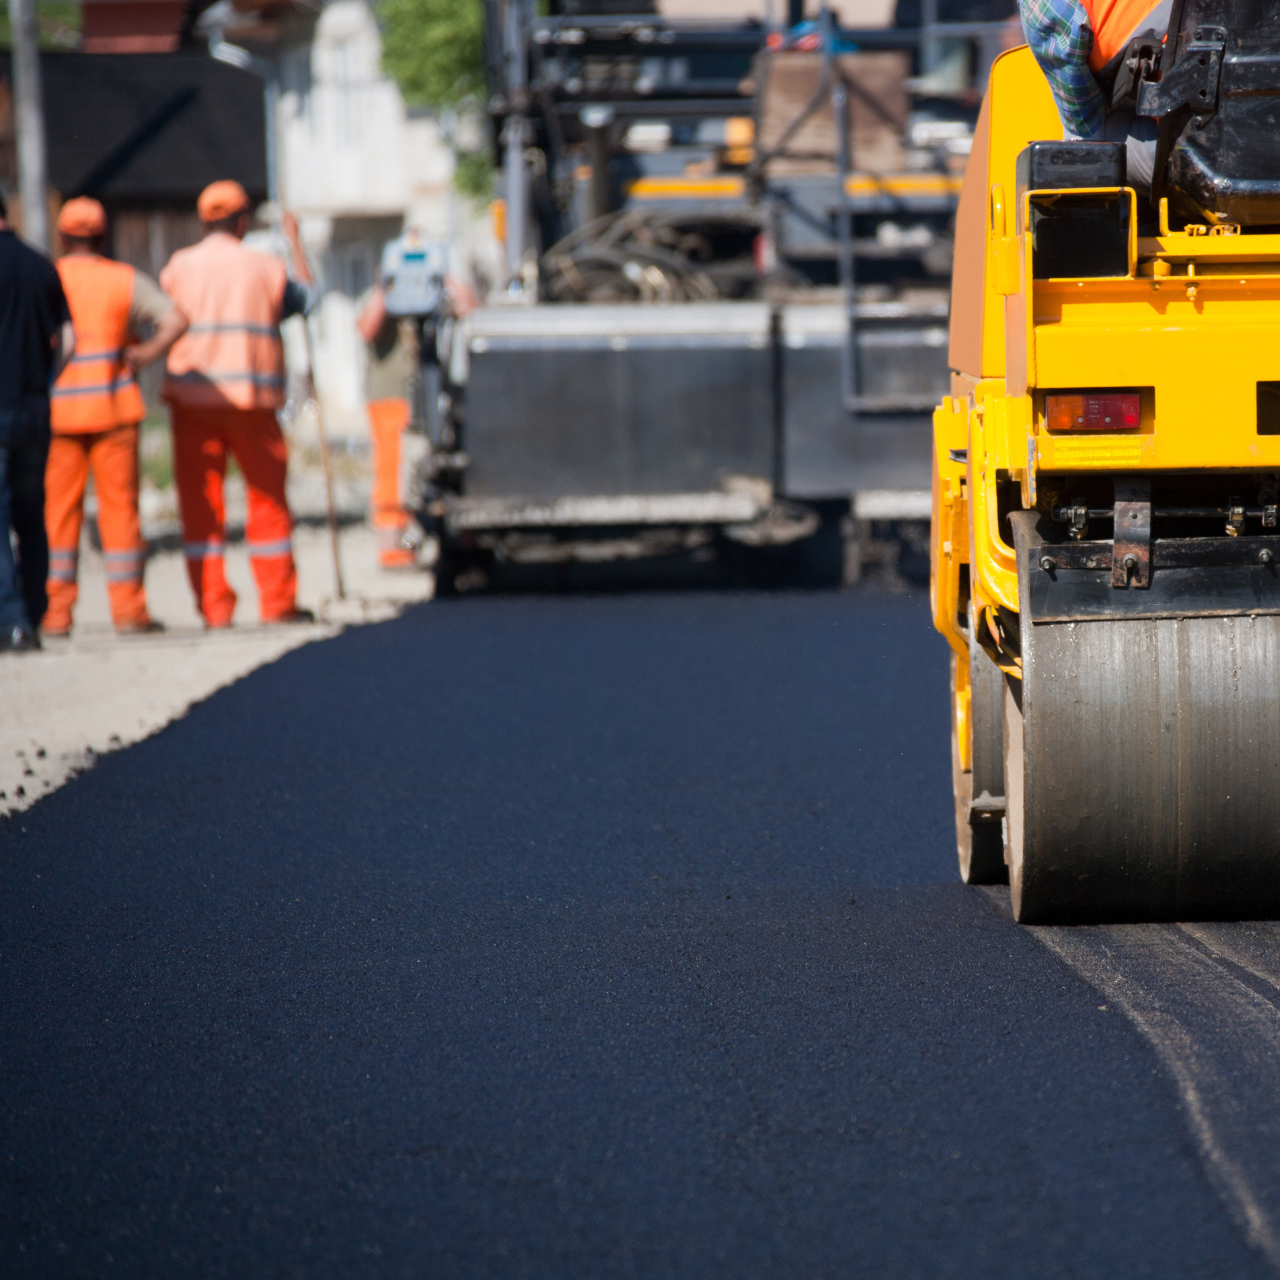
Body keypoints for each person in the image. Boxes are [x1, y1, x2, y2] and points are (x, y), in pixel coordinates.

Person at [159, 180, 315, 627]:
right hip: (253, 404)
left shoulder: (178, 267)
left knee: (201, 506)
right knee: (267, 502)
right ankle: (278, 604)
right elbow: (307, 300)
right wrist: (296, 243)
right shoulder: (266, 267)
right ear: (243, 221)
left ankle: (214, 608)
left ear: (204, 220)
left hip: (192, 402)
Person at [44, 197, 189, 637]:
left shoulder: (50, 278)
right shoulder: (122, 280)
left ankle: (55, 614)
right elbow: (176, 319)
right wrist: (144, 354)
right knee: (120, 513)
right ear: (102, 236)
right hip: (114, 411)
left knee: (59, 515)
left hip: (60, 414)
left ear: (63, 236)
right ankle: (128, 612)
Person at [0, 192, 74, 651]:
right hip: (35, 408)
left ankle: (11, 620)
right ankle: (36, 610)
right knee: (31, 512)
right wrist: (46, 382)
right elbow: (68, 339)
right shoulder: (42, 265)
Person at [1020, 0, 1171, 193]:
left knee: (1084, 148)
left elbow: (1084, 117)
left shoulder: (1040, 6)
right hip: (1214, 90)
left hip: (1202, 152)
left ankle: (1122, 220)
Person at [355, 281, 419, 570]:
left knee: (421, 474)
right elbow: (365, 328)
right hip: (389, 398)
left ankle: (417, 539)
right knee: (391, 472)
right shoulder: (381, 292)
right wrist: (386, 285)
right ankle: (391, 547)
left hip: (428, 397)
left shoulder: (432, 285)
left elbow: (470, 310)